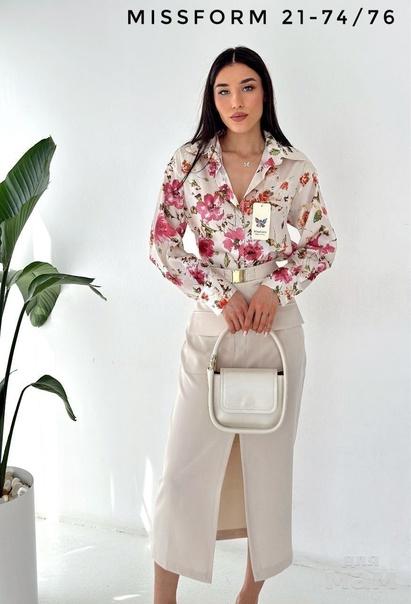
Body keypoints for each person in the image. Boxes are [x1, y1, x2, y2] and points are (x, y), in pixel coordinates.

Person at [148, 46, 337, 604]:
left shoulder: (294, 167)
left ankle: (248, 598)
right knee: (182, 472)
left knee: (269, 473)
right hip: (212, 330)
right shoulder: (187, 164)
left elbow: (322, 243)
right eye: (224, 90)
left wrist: (275, 290)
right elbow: (162, 245)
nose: (236, 100)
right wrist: (218, 295)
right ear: (212, 98)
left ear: (265, 93)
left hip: (276, 337)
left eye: (248, 86)